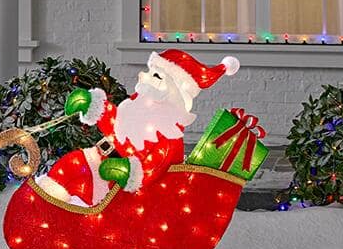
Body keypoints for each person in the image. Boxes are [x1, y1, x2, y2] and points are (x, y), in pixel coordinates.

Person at [34, 50, 239, 206]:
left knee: (84, 189)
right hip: (101, 160)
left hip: (126, 190)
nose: (144, 76)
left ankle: (60, 217)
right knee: (71, 165)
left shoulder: (169, 134)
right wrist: (94, 105)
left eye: (156, 76)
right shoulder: (139, 105)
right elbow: (116, 122)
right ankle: (46, 207)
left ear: (174, 91)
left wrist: (127, 172)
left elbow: (155, 167)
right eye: (150, 71)